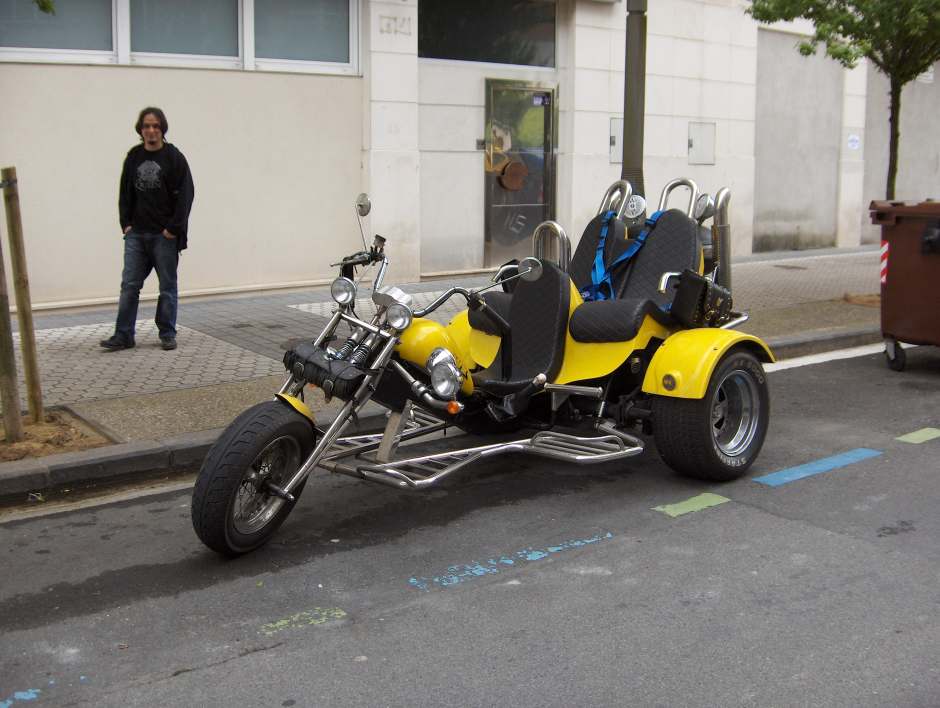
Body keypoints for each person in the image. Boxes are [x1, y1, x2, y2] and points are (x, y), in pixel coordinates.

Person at [100, 107, 194, 352]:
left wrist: (173, 229)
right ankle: (123, 335)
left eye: (155, 126)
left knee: (167, 287)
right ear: (140, 130)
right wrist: (126, 224)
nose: (151, 131)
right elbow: (124, 193)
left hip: (164, 236)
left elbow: (186, 195)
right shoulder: (134, 156)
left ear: (162, 128)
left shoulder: (174, 158)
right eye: (146, 126)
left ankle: (167, 333)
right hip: (137, 235)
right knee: (129, 285)